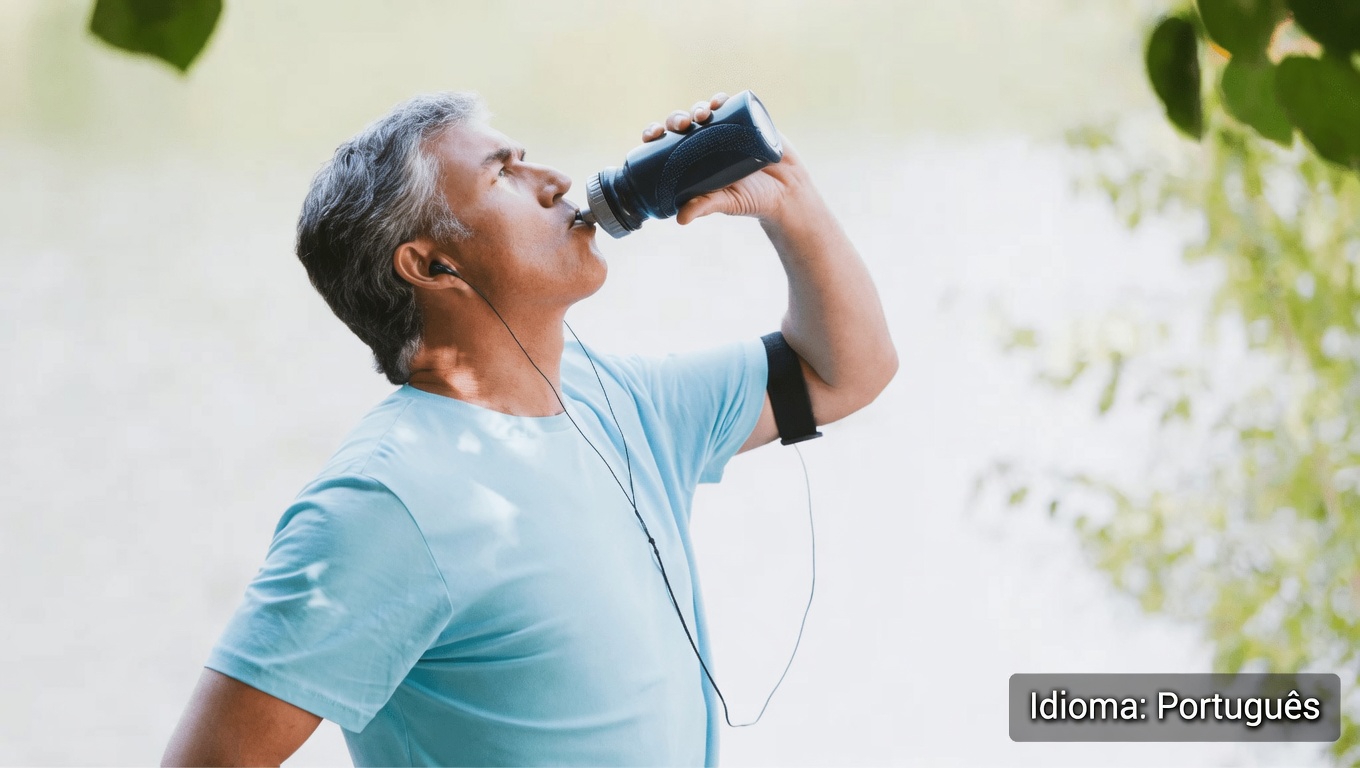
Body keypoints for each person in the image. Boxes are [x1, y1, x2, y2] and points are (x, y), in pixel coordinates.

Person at [162, 90, 896, 767]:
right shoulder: (387, 500)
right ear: (431, 263)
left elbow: (844, 371)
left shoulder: (617, 398)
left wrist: (790, 203)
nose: (554, 180)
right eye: (504, 174)